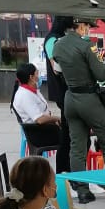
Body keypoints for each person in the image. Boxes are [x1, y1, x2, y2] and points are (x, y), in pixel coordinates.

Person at [51, 19, 105, 180]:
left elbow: (58, 70)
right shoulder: (87, 46)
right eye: (88, 26)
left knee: (77, 148)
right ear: (81, 25)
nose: (89, 29)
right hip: (89, 99)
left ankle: (80, 188)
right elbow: (102, 75)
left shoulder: (58, 45)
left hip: (70, 99)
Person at [43, 16, 76, 182]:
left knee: (70, 135)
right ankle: (63, 172)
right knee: (67, 136)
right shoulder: (52, 40)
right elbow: (56, 67)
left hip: (66, 92)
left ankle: (67, 172)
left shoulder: (58, 38)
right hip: (63, 92)